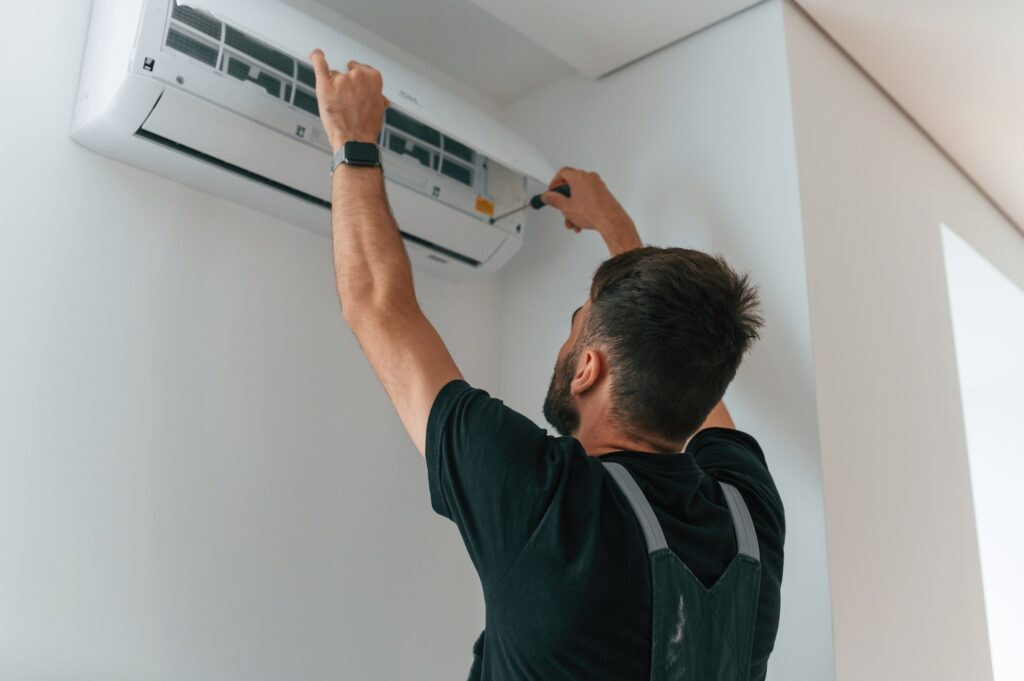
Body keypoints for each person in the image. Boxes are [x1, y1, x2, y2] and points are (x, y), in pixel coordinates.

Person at [310, 49, 785, 681]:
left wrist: (353, 139)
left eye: (573, 328)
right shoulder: (748, 517)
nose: (563, 347)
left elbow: (377, 304)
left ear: (587, 367)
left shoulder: (548, 503)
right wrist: (615, 229)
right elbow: (687, 363)